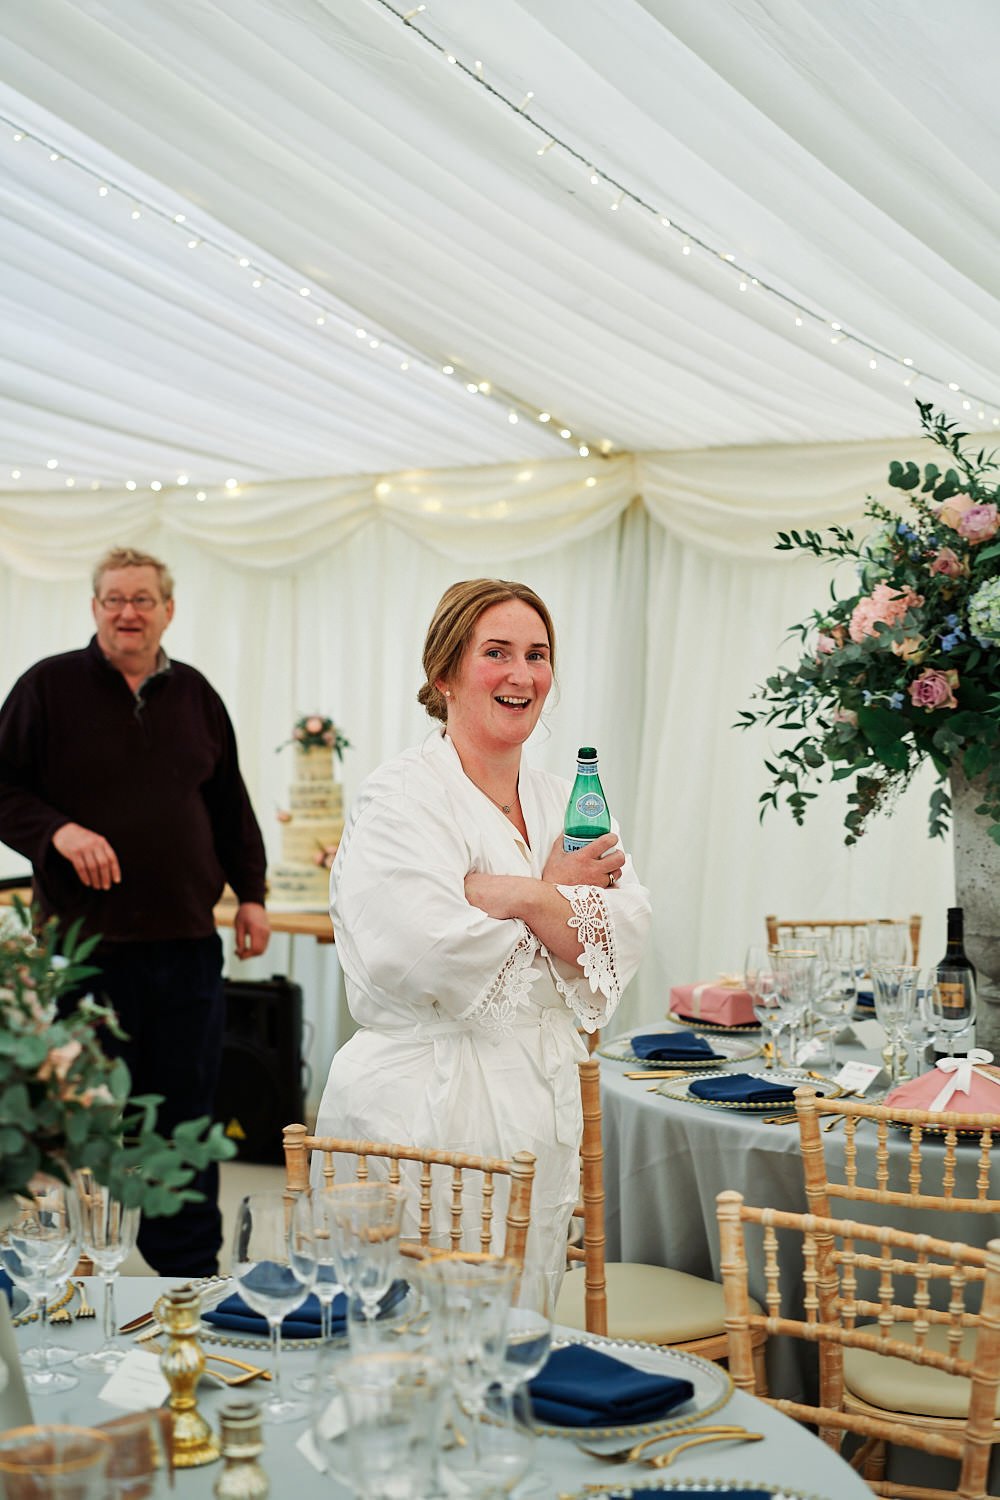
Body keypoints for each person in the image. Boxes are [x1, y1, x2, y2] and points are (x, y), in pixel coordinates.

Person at [313, 579, 651, 1284]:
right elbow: (429, 949)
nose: (521, 674)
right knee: (405, 1347)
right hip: (419, 1113)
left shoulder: (569, 799)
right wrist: (559, 905)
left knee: (516, 1349)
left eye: (538, 654)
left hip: (538, 1107)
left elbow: (624, 933)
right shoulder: (400, 799)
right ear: (445, 672)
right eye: (496, 652)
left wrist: (509, 894)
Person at [0, 545, 269, 1275]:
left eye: (143, 599)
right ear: (94, 608)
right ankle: (80, 1275)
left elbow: (229, 805)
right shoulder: (46, 688)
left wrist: (252, 895)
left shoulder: (198, 696)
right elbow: (4, 790)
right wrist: (59, 830)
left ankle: (188, 1273)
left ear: (168, 610)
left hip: (187, 948)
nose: (128, 612)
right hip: (86, 956)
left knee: (186, 1116)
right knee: (86, 1123)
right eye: (114, 598)